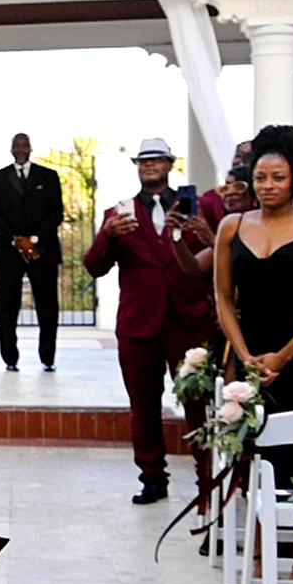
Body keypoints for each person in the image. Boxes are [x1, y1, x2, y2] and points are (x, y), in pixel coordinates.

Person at [84, 138, 216, 504]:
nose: (150, 166)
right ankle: (152, 478)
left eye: (157, 160)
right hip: (139, 325)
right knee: (143, 406)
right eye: (144, 161)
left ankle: (208, 479)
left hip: (188, 323)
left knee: (198, 406)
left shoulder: (196, 208)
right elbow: (94, 266)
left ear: (171, 164)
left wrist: (207, 232)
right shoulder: (119, 213)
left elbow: (218, 258)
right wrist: (107, 237)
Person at [211, 125, 293, 491]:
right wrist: (242, 355)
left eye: (278, 177)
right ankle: (258, 542)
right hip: (250, 357)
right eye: (260, 177)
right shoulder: (231, 227)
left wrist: (283, 357)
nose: (268, 185)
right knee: (252, 453)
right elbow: (223, 297)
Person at [0, 132, 64, 371]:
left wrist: (34, 240)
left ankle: (48, 357)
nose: (20, 150)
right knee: (8, 307)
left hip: (43, 251)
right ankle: (10, 357)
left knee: (48, 306)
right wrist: (16, 241)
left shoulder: (48, 177)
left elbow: (56, 213)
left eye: (24, 146)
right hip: (9, 253)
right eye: (16, 146)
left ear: (30, 149)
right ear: (11, 150)